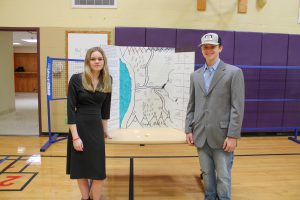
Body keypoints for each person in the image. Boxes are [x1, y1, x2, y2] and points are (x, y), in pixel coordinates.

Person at [185, 33, 245, 200]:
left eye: (212, 46)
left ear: (220, 48)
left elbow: (237, 107)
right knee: (207, 174)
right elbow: (192, 105)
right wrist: (188, 129)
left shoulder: (234, 73)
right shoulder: (195, 75)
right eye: (205, 47)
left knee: (223, 177)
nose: (209, 50)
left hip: (222, 136)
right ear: (201, 49)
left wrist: (233, 135)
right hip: (201, 135)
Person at [66, 46, 112, 200]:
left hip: (96, 130)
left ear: (104, 61)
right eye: (93, 59)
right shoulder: (76, 79)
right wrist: (75, 137)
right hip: (79, 128)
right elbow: (70, 109)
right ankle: (85, 198)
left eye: (100, 58)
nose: (97, 61)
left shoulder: (108, 79)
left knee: (98, 172)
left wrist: (105, 130)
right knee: (81, 169)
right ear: (88, 61)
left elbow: (106, 109)